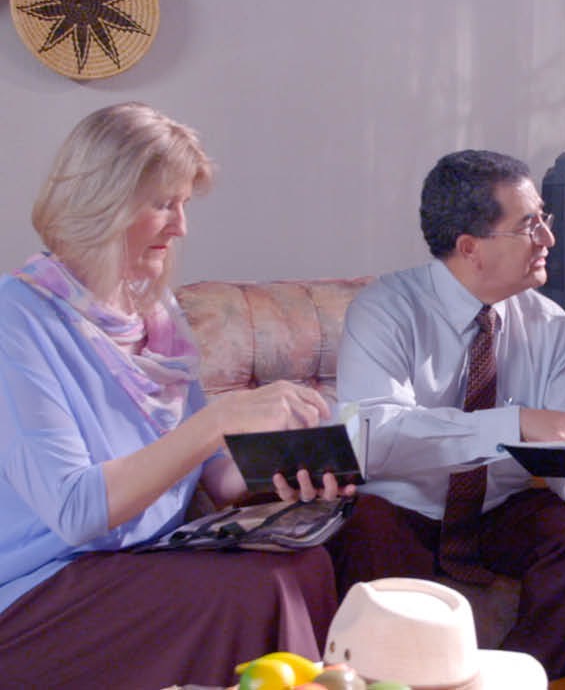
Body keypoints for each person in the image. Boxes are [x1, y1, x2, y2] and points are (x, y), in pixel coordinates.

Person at [0, 103, 344, 690]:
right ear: (101, 200)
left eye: (183, 204)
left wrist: (283, 470)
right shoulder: (17, 318)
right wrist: (219, 421)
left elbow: (211, 475)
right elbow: (78, 513)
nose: (181, 225)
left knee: (304, 561)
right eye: (164, 203)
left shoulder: (153, 314)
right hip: (40, 589)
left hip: (138, 562)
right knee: (255, 590)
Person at [329, 148, 565, 680]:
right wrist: (514, 421)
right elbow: (373, 435)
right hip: (400, 515)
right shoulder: (386, 309)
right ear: (470, 247)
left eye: (544, 222)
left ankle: (530, 678)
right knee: (363, 525)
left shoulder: (547, 323)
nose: (549, 239)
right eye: (529, 226)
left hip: (495, 514)